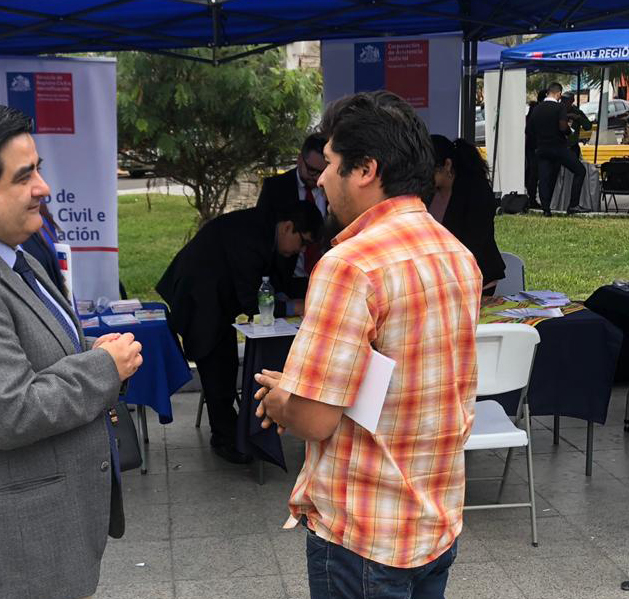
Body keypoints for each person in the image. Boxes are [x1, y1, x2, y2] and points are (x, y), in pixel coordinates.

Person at [0, 99, 143, 599]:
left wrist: (90, 349)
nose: (43, 187)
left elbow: (39, 351)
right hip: (15, 556)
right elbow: (11, 411)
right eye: (24, 176)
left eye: (38, 168)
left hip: (50, 536)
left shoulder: (12, 255)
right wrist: (103, 367)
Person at [254, 91, 483, 599]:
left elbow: (315, 419)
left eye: (330, 163)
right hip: (434, 521)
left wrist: (281, 400)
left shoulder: (350, 265)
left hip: (363, 536)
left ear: (365, 169)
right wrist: (303, 390)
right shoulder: (456, 254)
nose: (320, 179)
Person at [156, 202, 323, 464]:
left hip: (216, 295)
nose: (300, 251)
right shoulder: (252, 238)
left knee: (225, 362)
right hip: (199, 296)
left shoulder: (268, 231)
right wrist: (293, 306)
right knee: (216, 364)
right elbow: (251, 301)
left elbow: (271, 283)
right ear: (288, 227)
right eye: (302, 242)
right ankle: (225, 438)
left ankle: (231, 431)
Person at [431, 134, 506, 293]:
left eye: (428, 169)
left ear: (447, 165)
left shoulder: (476, 191)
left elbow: (474, 242)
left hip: (476, 277)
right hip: (441, 278)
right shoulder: (430, 193)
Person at [257, 134, 328, 298]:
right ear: (299, 159)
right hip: (284, 279)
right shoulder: (275, 188)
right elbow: (263, 233)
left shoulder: (330, 188)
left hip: (322, 279)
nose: (316, 177)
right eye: (312, 170)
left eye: (322, 172)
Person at [527, 82, 588, 215]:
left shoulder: (537, 109)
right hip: (558, 147)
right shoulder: (559, 107)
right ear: (559, 94)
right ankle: (573, 205)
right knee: (580, 171)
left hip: (542, 148)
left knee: (544, 178)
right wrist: (569, 132)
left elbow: (529, 130)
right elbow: (562, 127)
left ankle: (546, 209)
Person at [525, 89, 547, 209]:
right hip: (535, 147)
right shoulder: (537, 111)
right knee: (534, 174)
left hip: (534, 146)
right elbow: (530, 130)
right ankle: (532, 199)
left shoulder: (534, 110)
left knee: (534, 174)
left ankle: (532, 198)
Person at [563, 92, 592, 159]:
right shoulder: (558, 110)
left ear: (572, 101)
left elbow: (588, 126)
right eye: (563, 100)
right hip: (559, 146)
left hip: (572, 147)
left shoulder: (577, 112)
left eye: (567, 100)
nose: (564, 103)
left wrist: (578, 118)